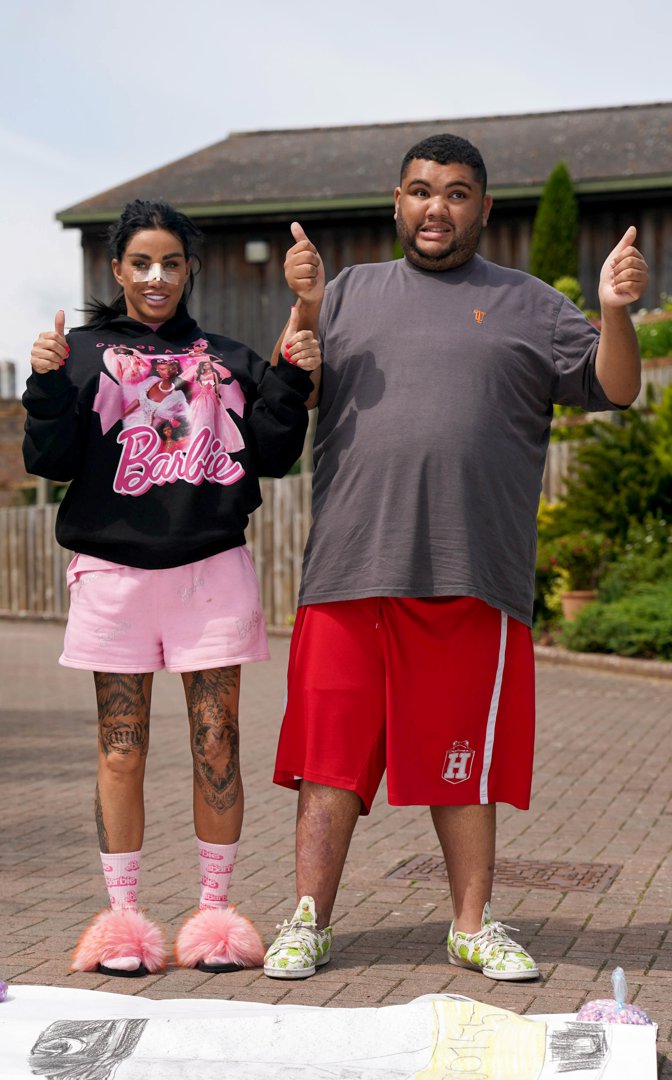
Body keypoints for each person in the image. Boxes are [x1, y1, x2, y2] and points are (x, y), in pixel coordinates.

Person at [263, 134, 648, 982]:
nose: (436, 207)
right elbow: (299, 392)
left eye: (457, 193)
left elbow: (617, 388)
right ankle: (307, 919)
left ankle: (470, 924)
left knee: (459, 766)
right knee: (328, 764)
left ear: (484, 207)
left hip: (472, 572)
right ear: (397, 202)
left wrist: (615, 311)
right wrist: (301, 309)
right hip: (350, 566)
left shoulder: (534, 305)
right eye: (420, 191)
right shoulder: (349, 292)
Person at [22, 198, 320, 978]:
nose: (157, 277)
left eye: (172, 263)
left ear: (190, 271)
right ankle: (123, 923)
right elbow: (49, 460)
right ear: (117, 269)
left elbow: (276, 451)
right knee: (122, 749)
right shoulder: (80, 353)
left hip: (210, 570)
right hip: (114, 577)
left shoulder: (225, 357)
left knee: (217, 742)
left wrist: (292, 373)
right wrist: (48, 384)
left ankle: (215, 916)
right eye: (141, 263)